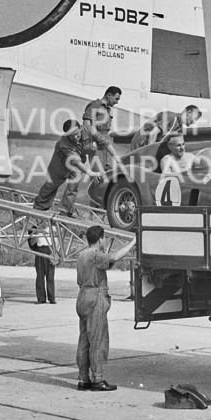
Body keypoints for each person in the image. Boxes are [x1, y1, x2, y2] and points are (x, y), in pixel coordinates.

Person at [74, 225, 136, 392]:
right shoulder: (95, 255)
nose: (105, 241)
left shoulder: (81, 255)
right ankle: (98, 379)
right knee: (98, 340)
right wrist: (133, 242)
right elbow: (114, 257)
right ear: (100, 239)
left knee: (84, 340)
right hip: (95, 298)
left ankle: (83, 379)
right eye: (104, 238)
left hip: (82, 296)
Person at [32, 120, 103, 215]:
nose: (75, 137)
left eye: (76, 133)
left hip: (77, 164)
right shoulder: (64, 143)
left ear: (80, 129)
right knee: (51, 185)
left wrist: (94, 144)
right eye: (71, 135)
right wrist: (90, 173)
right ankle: (39, 207)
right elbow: (75, 161)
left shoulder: (86, 131)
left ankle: (65, 210)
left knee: (73, 187)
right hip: (60, 164)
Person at [82, 86, 122, 171]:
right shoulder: (94, 105)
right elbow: (87, 125)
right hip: (96, 144)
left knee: (110, 173)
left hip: (107, 143)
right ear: (109, 95)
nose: (117, 102)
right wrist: (90, 141)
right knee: (98, 173)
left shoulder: (107, 109)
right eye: (116, 99)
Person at [28, 223, 56, 304]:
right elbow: (31, 242)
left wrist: (55, 254)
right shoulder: (34, 228)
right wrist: (38, 231)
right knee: (40, 276)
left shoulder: (52, 227)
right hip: (39, 250)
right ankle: (41, 298)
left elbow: (56, 241)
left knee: (50, 276)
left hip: (50, 250)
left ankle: (52, 298)